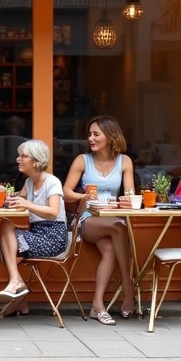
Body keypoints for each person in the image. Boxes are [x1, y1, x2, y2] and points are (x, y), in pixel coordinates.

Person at [62, 115, 137, 326]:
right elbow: (66, 192)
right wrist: (84, 197)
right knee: (119, 228)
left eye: (96, 134)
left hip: (112, 217)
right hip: (87, 219)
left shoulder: (125, 161)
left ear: (110, 136)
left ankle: (97, 305)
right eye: (90, 134)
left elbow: (130, 193)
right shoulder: (82, 160)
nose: (91, 139)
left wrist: (127, 199)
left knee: (111, 248)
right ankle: (128, 287)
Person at [0, 138, 68, 319]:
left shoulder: (52, 182)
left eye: (23, 156)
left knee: (7, 242)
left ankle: (16, 285)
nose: (19, 159)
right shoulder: (28, 183)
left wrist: (26, 203)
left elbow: (53, 211)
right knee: (6, 227)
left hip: (53, 237)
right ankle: (19, 289)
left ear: (36, 161)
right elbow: (18, 199)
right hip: (37, 233)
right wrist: (6, 195)